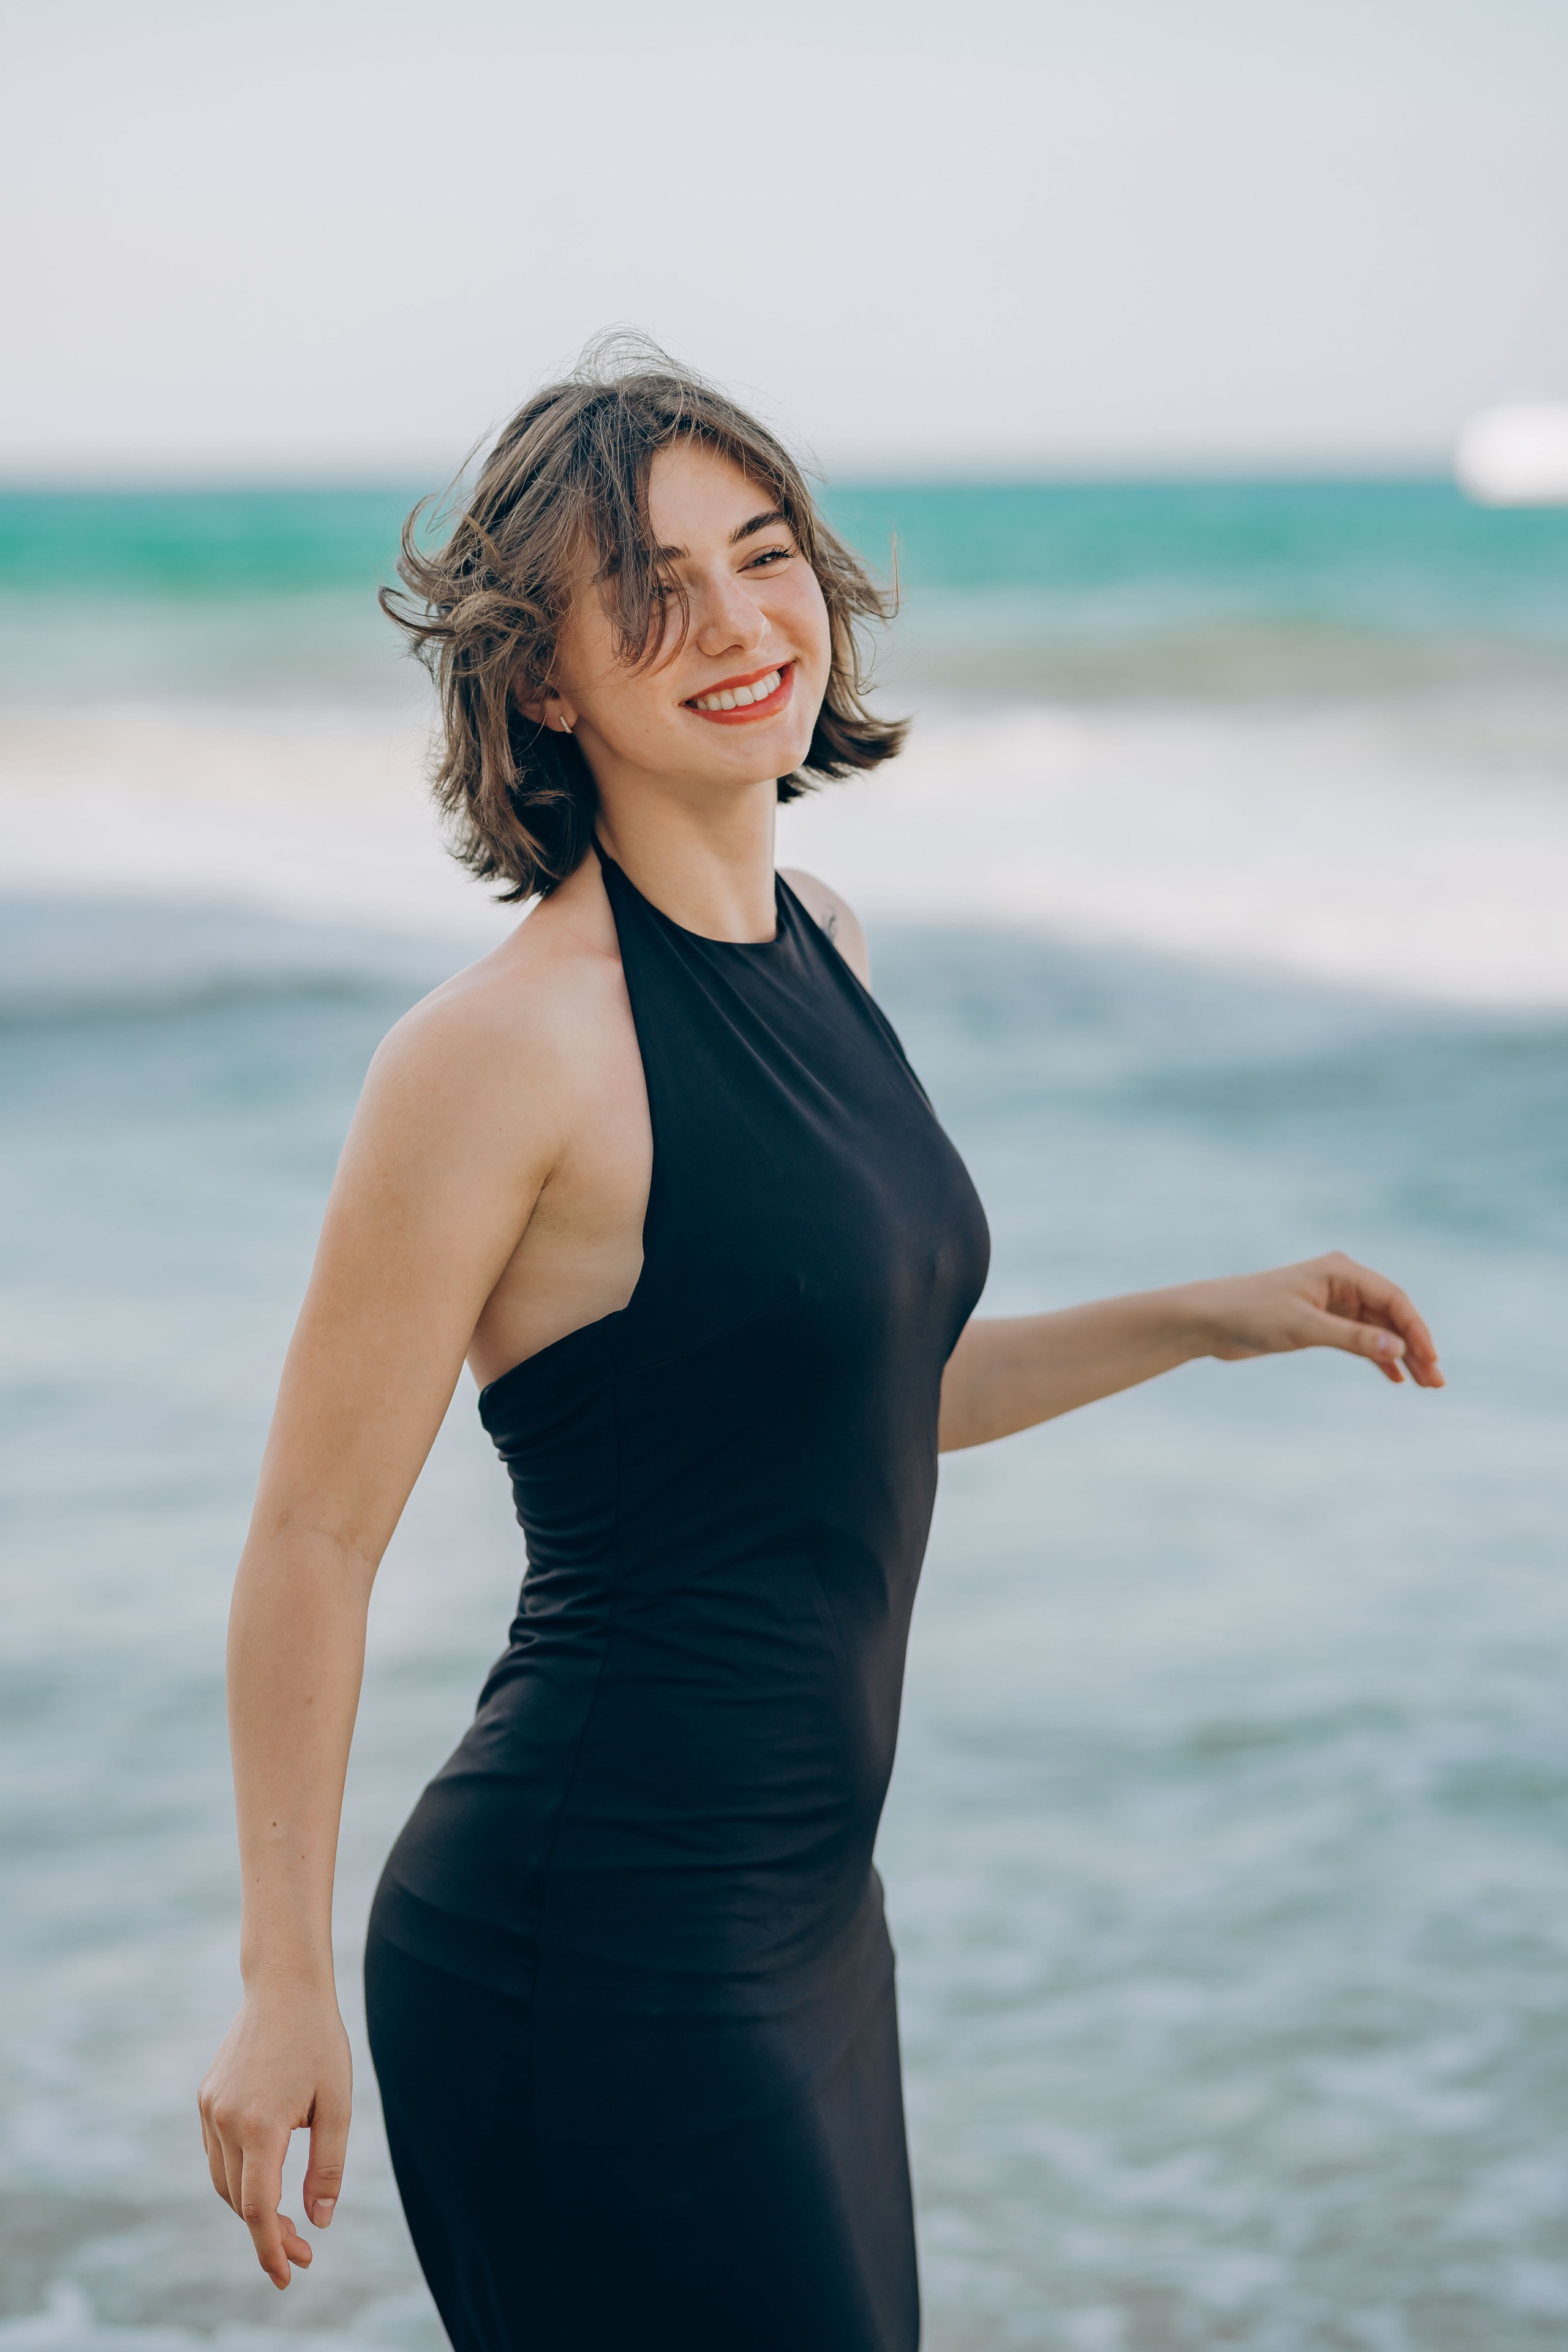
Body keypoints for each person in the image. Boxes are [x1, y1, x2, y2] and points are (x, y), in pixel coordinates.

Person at [197, 349, 1442, 2352]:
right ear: (541, 679)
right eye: (650, 593)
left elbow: (832, 1409)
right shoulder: (498, 1053)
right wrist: (280, 1978)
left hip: (803, 1933)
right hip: (587, 1946)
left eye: (761, 556)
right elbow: (311, 1542)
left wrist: (1206, 1320)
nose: (737, 623)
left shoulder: (825, 942)